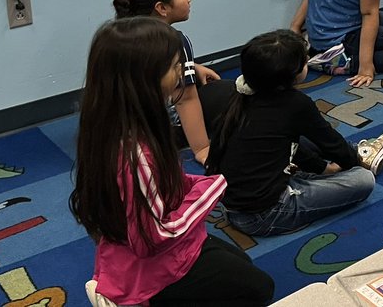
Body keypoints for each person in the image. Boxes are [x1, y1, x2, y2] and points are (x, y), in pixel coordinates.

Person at [70, 17, 275, 307]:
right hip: (151, 261)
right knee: (259, 289)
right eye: (174, 66)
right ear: (145, 77)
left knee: (241, 264)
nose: (181, 72)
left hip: (153, 242)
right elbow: (151, 237)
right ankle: (131, 299)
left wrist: (196, 183)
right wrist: (211, 188)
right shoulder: (133, 154)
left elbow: (160, 187)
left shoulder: (114, 122)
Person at [206, 30, 383, 236]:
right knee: (363, 179)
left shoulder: (238, 94)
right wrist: (351, 162)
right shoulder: (295, 104)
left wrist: (323, 168)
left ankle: (355, 155)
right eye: (305, 62)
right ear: (293, 74)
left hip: (238, 201)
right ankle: (363, 155)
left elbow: (289, 143)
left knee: (302, 138)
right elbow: (330, 143)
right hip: (264, 214)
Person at [114, 0, 232, 165]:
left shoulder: (119, 35)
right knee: (225, 91)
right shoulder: (175, 41)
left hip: (120, 130)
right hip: (160, 131)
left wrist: (191, 66)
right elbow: (185, 99)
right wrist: (202, 148)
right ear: (162, 8)